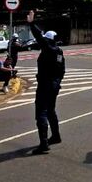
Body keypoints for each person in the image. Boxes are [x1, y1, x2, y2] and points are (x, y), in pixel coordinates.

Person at [27, 10, 66, 155]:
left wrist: (31, 24)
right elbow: (62, 70)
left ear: (48, 40)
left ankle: (44, 144)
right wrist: (57, 81)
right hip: (54, 85)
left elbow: (39, 37)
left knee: (41, 113)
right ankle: (56, 136)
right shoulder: (59, 52)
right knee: (51, 110)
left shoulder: (48, 49)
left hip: (45, 85)